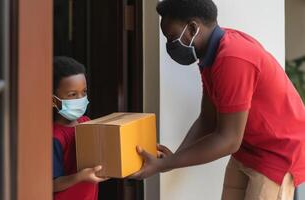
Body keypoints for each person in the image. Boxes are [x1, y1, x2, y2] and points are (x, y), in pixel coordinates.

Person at [131, 0, 305, 199]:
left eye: (172, 37)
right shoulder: (210, 54)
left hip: (277, 153)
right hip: (248, 149)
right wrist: (173, 159)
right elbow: (207, 119)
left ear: (193, 27)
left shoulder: (233, 58)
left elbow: (228, 140)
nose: (170, 45)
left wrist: (166, 164)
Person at [52, 56, 107, 200]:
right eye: (72, 94)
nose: (80, 99)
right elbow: (52, 184)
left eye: (84, 92)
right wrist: (80, 177)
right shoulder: (54, 137)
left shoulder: (87, 123)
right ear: (53, 100)